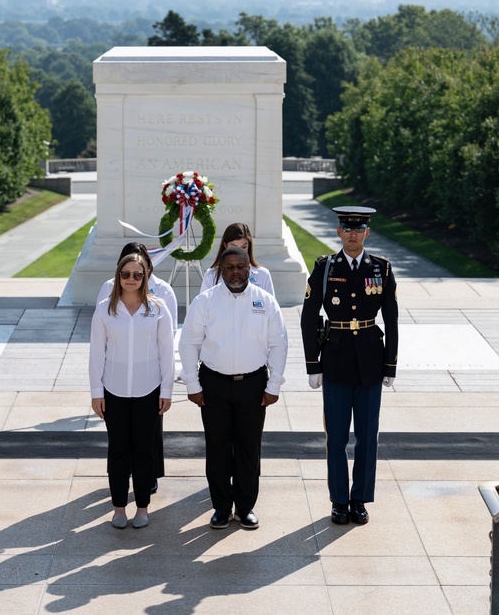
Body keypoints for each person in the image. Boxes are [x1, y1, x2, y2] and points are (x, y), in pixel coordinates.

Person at [300, 206, 398, 526]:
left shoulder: (381, 269)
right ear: (338, 231)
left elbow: (392, 320)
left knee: (368, 436)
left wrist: (390, 364)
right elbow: (309, 316)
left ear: (367, 233)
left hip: (370, 360)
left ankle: (359, 499)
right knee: (338, 437)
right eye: (347, 228)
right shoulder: (325, 268)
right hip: (337, 360)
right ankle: (339, 500)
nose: (353, 233)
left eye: (359, 228)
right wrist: (313, 363)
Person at [180, 246, 288, 529]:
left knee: (249, 449)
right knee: (217, 449)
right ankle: (221, 508)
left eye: (241, 266)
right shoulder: (205, 302)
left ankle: (245, 506)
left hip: (253, 385)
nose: (236, 272)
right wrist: (192, 383)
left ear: (249, 269)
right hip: (213, 384)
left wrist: (274, 384)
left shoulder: (265, 302)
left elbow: (279, 343)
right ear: (220, 270)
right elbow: (188, 343)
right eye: (230, 267)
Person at [89, 253, 174, 529]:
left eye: (137, 275)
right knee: (118, 451)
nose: (131, 279)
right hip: (113, 391)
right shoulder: (104, 309)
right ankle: (118, 508)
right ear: (118, 275)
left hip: (148, 390)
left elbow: (166, 353)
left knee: (143, 450)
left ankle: (142, 508)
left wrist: (167, 390)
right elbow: (96, 354)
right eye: (126, 274)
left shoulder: (158, 308)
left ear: (145, 277)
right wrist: (96, 392)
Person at [199, 223, 274, 295]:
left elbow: (270, 305)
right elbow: (202, 305)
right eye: (234, 247)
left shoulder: (263, 274)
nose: (239, 252)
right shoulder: (211, 275)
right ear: (225, 245)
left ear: (249, 246)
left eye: (243, 247)